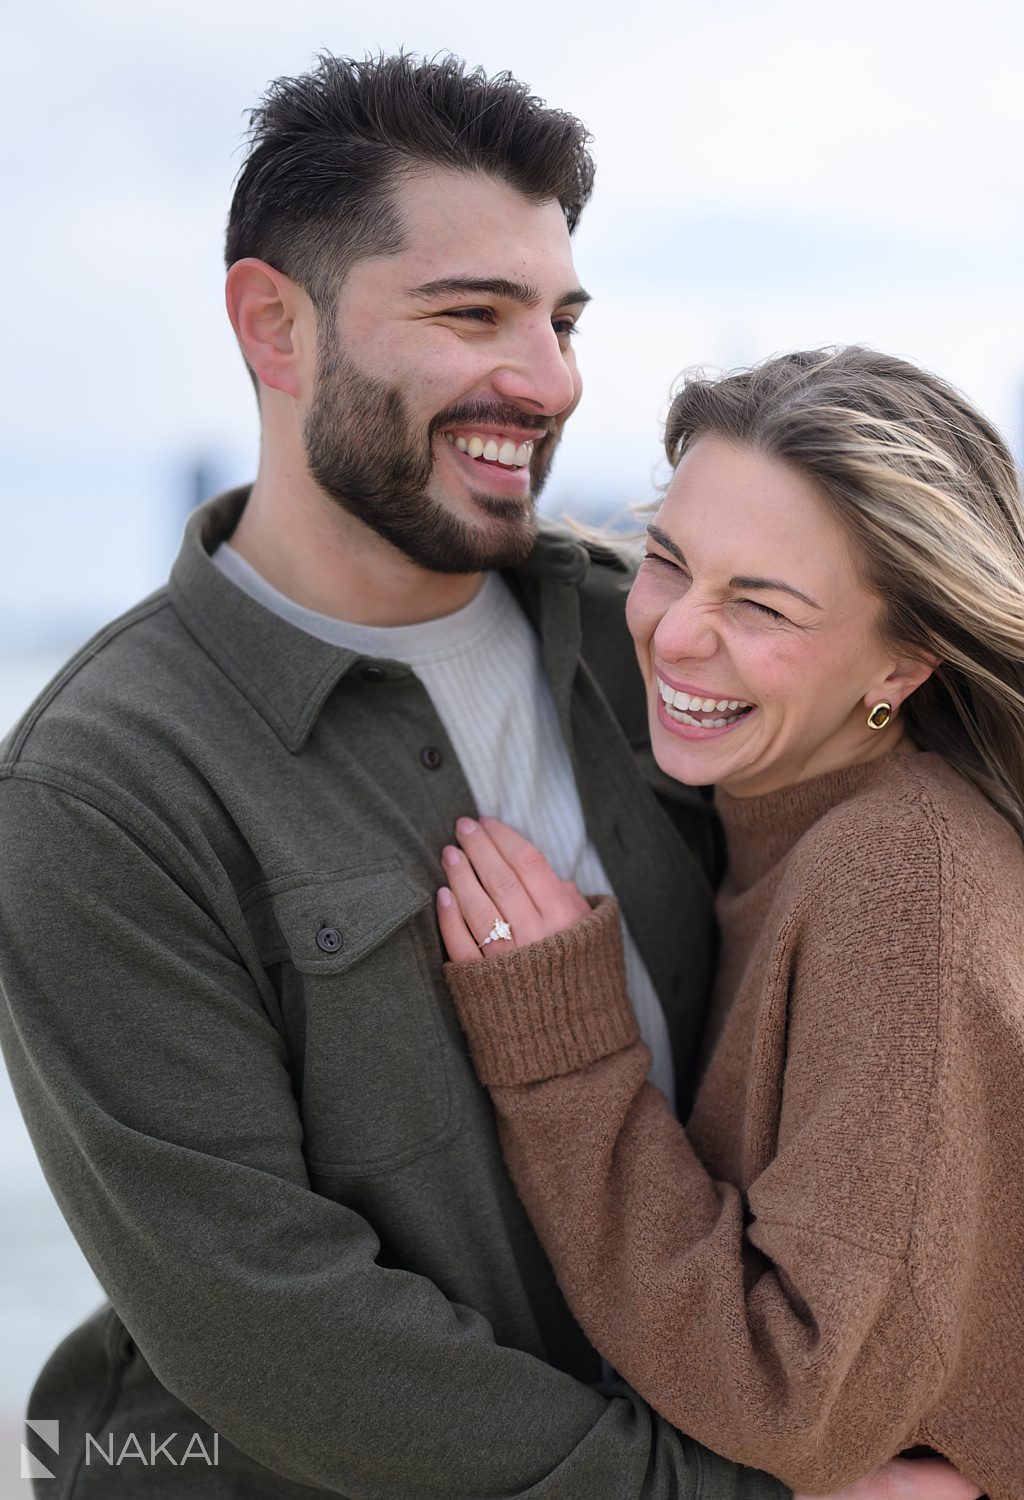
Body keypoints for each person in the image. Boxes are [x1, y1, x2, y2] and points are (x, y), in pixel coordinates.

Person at [0, 49, 972, 1499]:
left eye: (562, 320)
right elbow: (274, 1328)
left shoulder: (665, 642)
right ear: (274, 325)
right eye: (473, 314)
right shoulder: (100, 788)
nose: (551, 380)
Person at [437, 346, 1024, 1500]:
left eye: (759, 605)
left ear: (902, 665)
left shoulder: (897, 876)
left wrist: (567, 1061)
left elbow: (806, 1400)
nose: (674, 635)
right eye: (667, 562)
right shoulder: (795, 816)